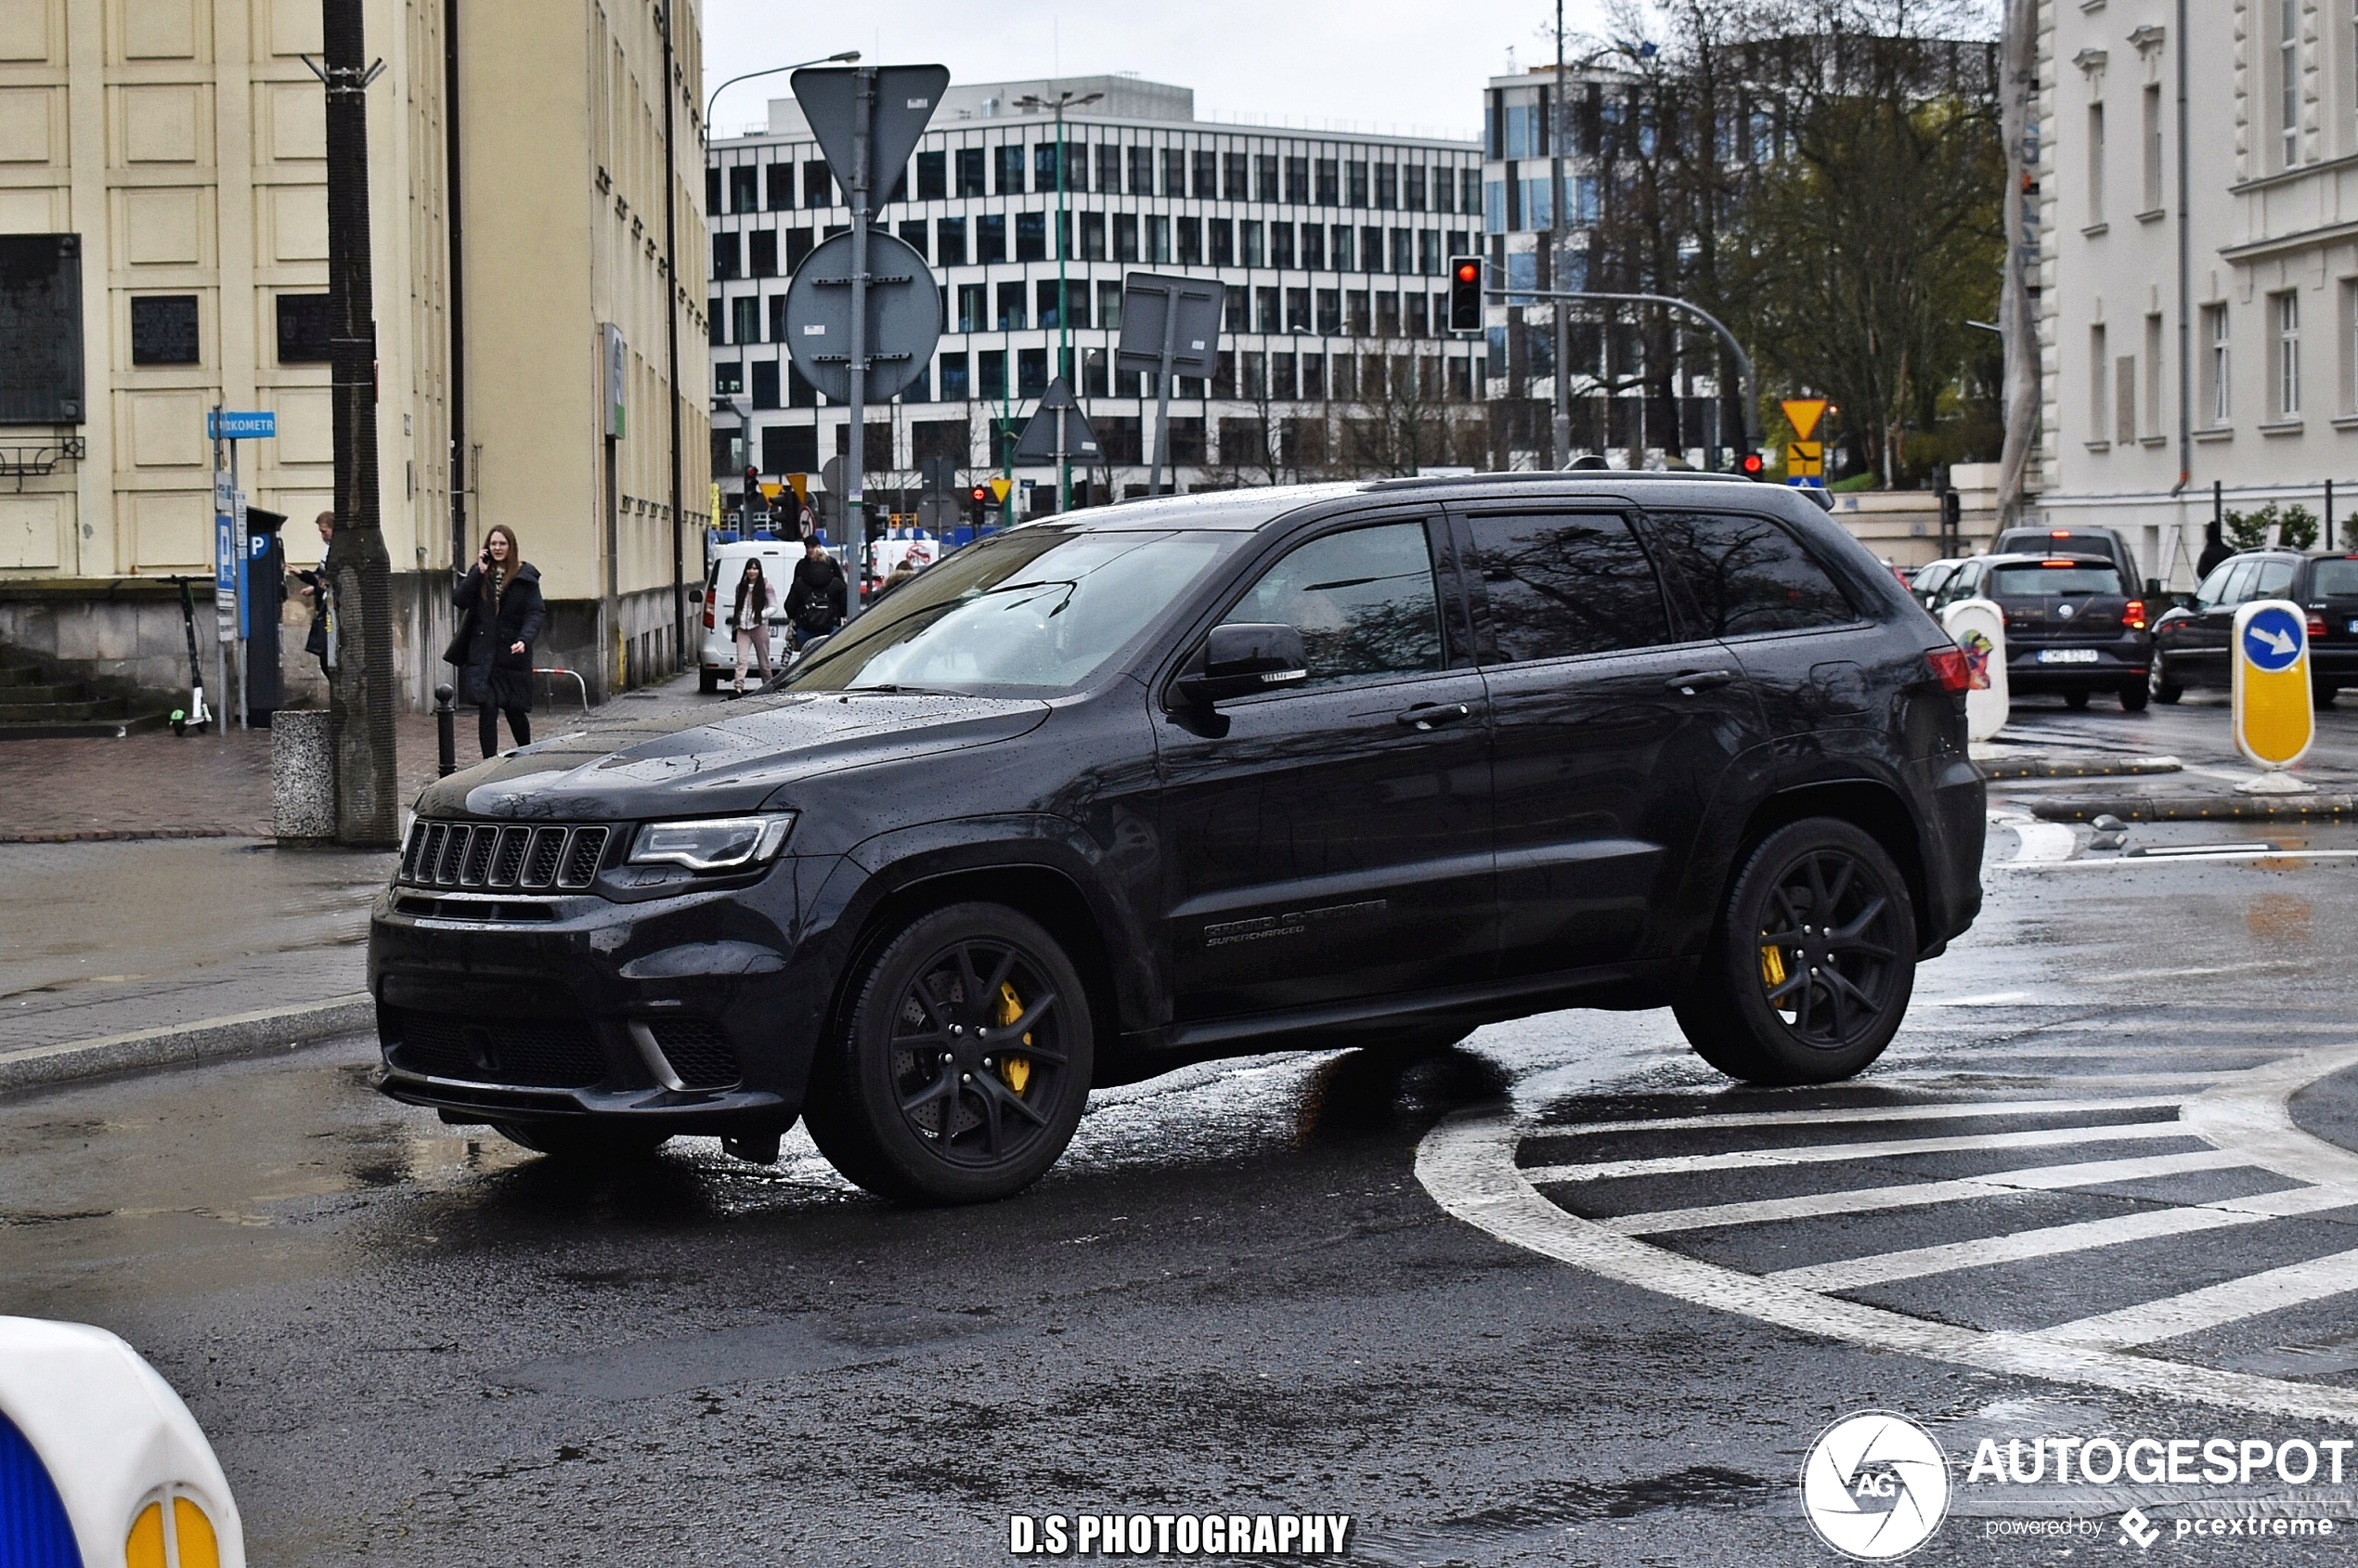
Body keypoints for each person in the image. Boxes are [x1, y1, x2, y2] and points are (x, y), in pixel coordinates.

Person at [446, 525, 544, 757]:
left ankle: (527, 754)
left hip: (511, 654)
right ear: (487, 548)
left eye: (502, 544)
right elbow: (460, 600)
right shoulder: (481, 574)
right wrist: (478, 572)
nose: (497, 548)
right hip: (485, 654)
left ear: (511, 547)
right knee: (487, 708)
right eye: (493, 544)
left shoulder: (525, 577)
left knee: (514, 710)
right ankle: (488, 761)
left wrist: (525, 639)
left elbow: (535, 612)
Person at [786, 533, 848, 650]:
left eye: (812, 546)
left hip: (805, 624)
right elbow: (843, 598)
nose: (810, 550)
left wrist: (796, 615)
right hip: (831, 624)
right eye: (807, 547)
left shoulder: (801, 574)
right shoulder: (834, 579)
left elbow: (791, 603)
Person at [729, 556, 776, 696]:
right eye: (750, 568)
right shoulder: (741, 587)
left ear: (760, 571)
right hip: (743, 628)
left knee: (764, 662)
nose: (752, 572)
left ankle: (768, 687)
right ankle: (738, 688)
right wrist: (736, 623)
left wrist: (761, 614)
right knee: (741, 660)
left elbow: (774, 606)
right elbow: (738, 606)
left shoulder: (766, 586)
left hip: (759, 627)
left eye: (755, 568)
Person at [297, 511, 333, 681]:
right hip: (324, 606)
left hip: (331, 611)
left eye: (324, 531)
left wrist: (301, 574)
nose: (322, 536)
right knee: (323, 653)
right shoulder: (327, 550)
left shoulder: (336, 551)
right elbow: (321, 576)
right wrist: (314, 588)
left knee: (328, 655)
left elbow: (326, 578)